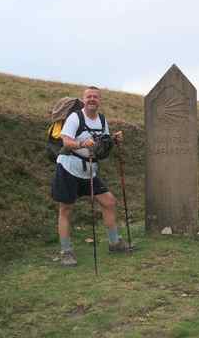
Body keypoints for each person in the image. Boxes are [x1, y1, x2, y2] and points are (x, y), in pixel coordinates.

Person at [51, 86, 127, 267]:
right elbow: (66, 141)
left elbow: (103, 143)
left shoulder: (101, 119)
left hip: (89, 170)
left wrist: (114, 140)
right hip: (68, 167)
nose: (92, 99)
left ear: (99, 100)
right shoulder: (75, 117)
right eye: (89, 96)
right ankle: (66, 251)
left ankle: (114, 243)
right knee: (66, 209)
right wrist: (82, 143)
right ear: (84, 100)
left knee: (108, 201)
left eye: (95, 97)